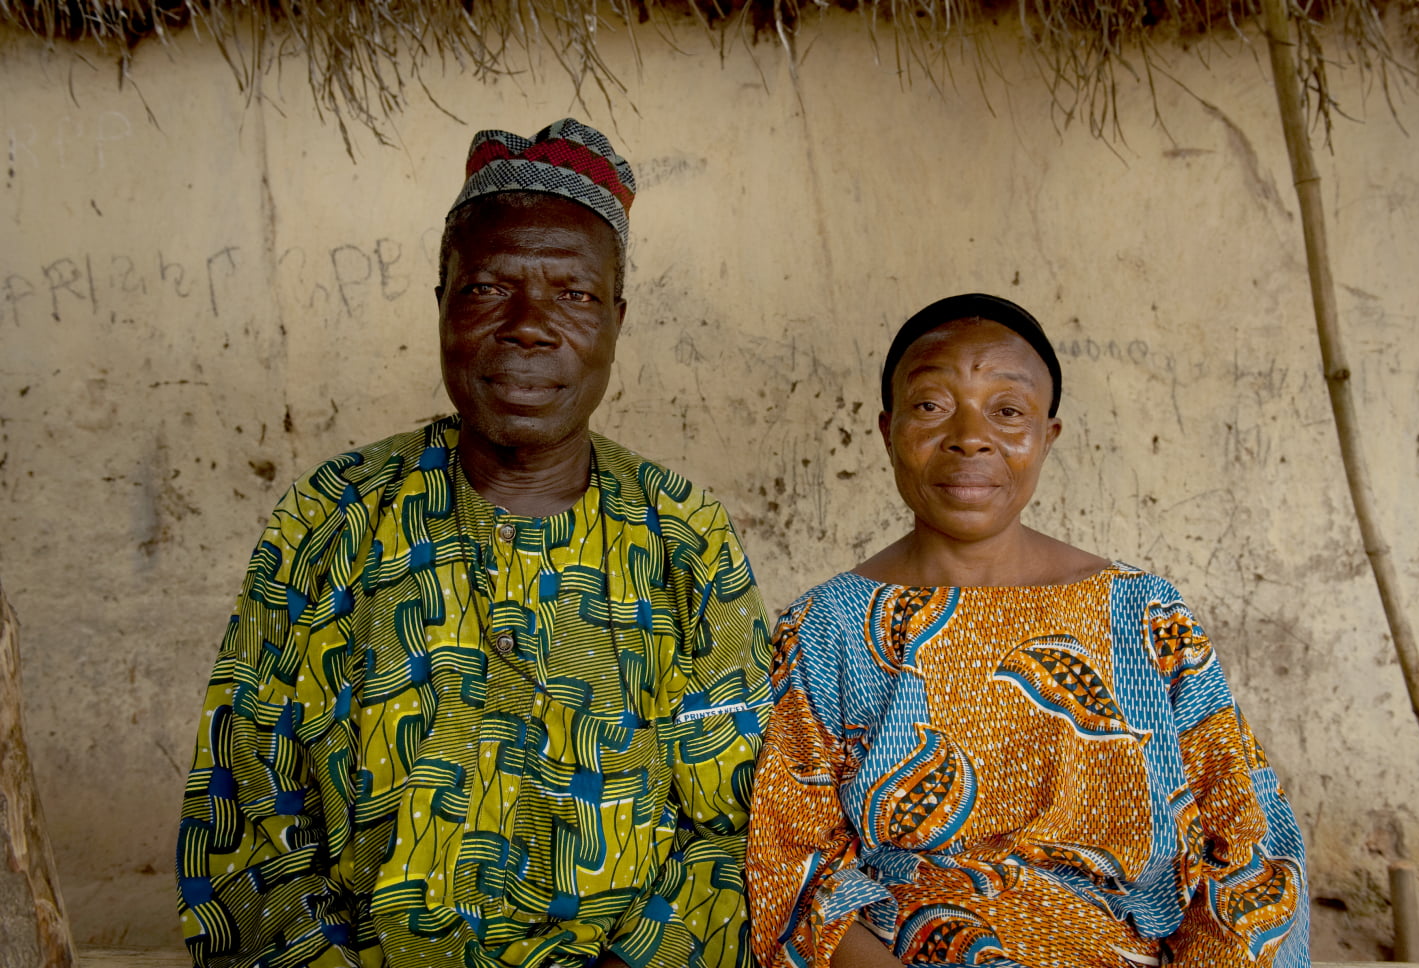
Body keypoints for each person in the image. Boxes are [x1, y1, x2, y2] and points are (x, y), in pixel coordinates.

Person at [176, 119, 772, 968]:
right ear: (443, 306)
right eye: (489, 288)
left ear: (617, 321)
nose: (529, 326)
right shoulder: (332, 516)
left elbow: (732, 825)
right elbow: (248, 808)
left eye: (574, 295)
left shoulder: (684, 533)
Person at [745, 294, 1308, 967]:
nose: (970, 437)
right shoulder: (824, 629)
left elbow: (1248, 846)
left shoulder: (1144, 617)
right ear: (888, 430)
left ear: (1048, 435)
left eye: (1008, 411)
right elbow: (792, 871)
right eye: (931, 406)